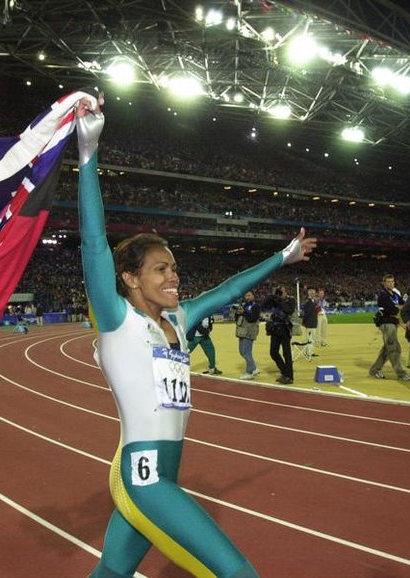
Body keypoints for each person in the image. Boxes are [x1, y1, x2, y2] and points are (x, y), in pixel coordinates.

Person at [76, 92, 316, 578]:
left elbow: (229, 289)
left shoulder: (180, 321)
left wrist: (282, 258)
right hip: (142, 475)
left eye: (175, 269)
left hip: (167, 469)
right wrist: (87, 153)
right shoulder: (119, 321)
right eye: (160, 269)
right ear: (129, 279)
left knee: (112, 572)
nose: (173, 277)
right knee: (238, 574)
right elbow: (94, 242)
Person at [370, 274, 410, 381]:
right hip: (386, 323)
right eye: (388, 282)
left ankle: (375, 370)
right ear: (384, 283)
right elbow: (393, 310)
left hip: (393, 323)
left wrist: (398, 307)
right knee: (394, 348)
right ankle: (401, 373)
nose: (390, 283)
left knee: (387, 349)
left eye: (392, 281)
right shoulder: (383, 295)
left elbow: (404, 306)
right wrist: (398, 307)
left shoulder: (394, 294)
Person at [263, 286, 296, 384]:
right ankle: (285, 372)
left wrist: (280, 300)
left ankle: (289, 377)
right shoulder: (275, 300)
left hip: (285, 329)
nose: (280, 293)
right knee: (273, 352)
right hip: (275, 328)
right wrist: (273, 295)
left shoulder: (291, 300)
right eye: (279, 292)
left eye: (282, 291)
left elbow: (288, 310)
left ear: (286, 292)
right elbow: (264, 304)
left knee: (286, 353)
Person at [235, 290, 261, 379]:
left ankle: (249, 372)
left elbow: (252, 318)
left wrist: (244, 312)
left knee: (246, 352)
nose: (247, 297)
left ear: (253, 296)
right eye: (246, 296)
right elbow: (238, 318)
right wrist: (237, 313)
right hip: (242, 331)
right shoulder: (244, 305)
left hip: (250, 331)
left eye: (249, 295)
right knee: (242, 351)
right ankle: (254, 368)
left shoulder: (256, 306)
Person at [300, 287, 318, 358]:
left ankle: (310, 351)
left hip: (312, 323)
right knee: (309, 338)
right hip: (310, 323)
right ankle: (308, 352)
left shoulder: (313, 301)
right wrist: (304, 322)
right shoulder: (308, 302)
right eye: (311, 292)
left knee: (312, 338)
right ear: (308, 293)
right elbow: (306, 314)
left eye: (314, 292)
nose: (313, 293)